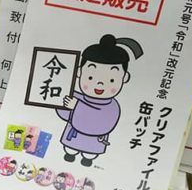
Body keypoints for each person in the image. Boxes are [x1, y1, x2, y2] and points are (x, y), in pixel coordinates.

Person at [57, 34, 143, 167]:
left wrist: (77, 107)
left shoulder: (112, 106)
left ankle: (88, 158)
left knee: (89, 153)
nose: (100, 84)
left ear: (125, 77)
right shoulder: (77, 96)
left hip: (94, 140)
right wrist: (64, 102)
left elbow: (105, 123)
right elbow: (64, 111)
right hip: (74, 135)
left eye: (111, 80)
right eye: (90, 78)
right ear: (79, 72)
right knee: (70, 149)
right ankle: (70, 153)